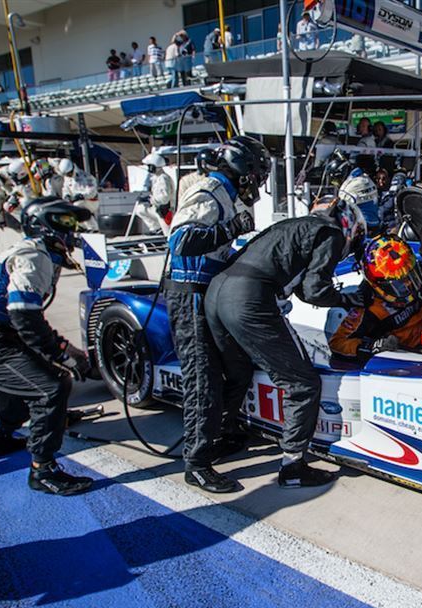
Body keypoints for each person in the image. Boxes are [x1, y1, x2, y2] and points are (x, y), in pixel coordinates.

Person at [206, 196, 366, 488]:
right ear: (348, 225)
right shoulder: (329, 232)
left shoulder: (293, 226)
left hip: (217, 293)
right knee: (303, 384)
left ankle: (221, 438)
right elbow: (316, 289)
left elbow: (302, 286)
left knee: (236, 373)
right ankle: (293, 466)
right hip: (251, 299)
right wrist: (346, 298)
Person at [0, 198, 96, 495]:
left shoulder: (28, 251)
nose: (72, 230)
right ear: (43, 224)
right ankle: (43, 470)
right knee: (50, 388)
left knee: (38, 379)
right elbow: (24, 316)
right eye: (65, 223)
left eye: (73, 224)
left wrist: (60, 350)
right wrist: (62, 354)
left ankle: (1, 437)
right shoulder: (33, 255)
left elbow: (25, 320)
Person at [166, 135, 270, 493]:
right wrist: (232, 229)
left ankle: (224, 433)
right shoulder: (209, 192)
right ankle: (196, 463)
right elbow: (179, 241)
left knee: (238, 367)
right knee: (203, 381)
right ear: (245, 170)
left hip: (211, 294)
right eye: (257, 175)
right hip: (190, 297)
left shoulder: (226, 194)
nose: (257, 184)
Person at [330, 234, 422, 365]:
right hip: (410, 359)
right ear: (379, 286)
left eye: (410, 276)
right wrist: (373, 346)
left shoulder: (414, 270)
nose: (408, 284)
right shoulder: (369, 308)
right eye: (399, 283)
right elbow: (337, 343)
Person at [137, 152, 175, 234]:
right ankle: (156, 228)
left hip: (165, 211)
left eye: (149, 166)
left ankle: (163, 233)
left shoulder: (163, 178)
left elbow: (164, 198)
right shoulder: (156, 177)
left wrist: (150, 199)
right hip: (157, 209)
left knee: (168, 235)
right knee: (140, 209)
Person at [57, 159, 99, 227]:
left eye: (69, 173)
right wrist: (66, 196)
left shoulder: (85, 176)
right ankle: (82, 227)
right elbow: (65, 189)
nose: (69, 175)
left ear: (72, 169)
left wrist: (81, 196)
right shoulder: (67, 178)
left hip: (91, 201)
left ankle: (93, 227)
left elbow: (93, 191)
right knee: (69, 209)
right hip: (77, 201)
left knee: (77, 207)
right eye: (67, 174)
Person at [2, 158, 36, 224]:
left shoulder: (33, 178)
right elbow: (18, 191)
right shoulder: (21, 183)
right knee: (7, 205)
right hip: (31, 202)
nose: (12, 177)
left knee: (24, 201)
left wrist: (18, 197)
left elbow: (29, 194)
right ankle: (26, 223)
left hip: (39, 202)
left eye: (13, 175)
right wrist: (12, 199)